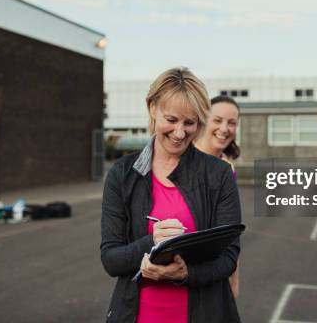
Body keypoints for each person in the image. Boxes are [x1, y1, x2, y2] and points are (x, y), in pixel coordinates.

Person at [100, 67, 242, 323]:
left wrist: (186, 274)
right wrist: (151, 242)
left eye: (189, 123)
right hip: (139, 314)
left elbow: (229, 257)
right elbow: (111, 260)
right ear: (152, 108)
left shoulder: (218, 174)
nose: (179, 133)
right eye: (171, 120)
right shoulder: (122, 175)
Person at [194, 95, 241, 298]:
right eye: (217, 120)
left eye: (232, 123)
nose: (224, 129)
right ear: (203, 120)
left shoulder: (228, 168)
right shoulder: (183, 159)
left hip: (216, 272)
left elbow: (230, 231)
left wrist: (234, 280)